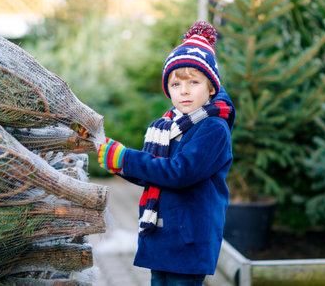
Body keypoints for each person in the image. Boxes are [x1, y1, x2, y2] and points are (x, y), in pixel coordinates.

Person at [97, 21, 235, 286]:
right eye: (175, 84)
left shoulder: (213, 128)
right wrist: (118, 163)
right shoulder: (168, 125)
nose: (183, 91)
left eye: (193, 82)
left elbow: (178, 172)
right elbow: (155, 174)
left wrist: (127, 158)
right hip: (162, 235)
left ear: (211, 88)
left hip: (189, 238)